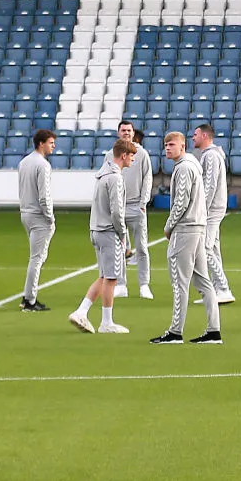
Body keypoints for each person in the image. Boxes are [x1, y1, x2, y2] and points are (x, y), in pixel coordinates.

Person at [152, 131, 221, 345]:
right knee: (203, 281)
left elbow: (181, 202)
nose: (167, 148)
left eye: (171, 144)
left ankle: (175, 332)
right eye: (165, 145)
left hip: (186, 229)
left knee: (179, 282)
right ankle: (213, 331)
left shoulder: (183, 168)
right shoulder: (192, 165)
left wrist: (169, 226)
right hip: (198, 227)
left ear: (182, 146)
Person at [72, 138, 137, 335]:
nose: (133, 160)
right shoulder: (116, 178)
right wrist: (123, 234)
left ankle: (82, 311)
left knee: (103, 276)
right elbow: (117, 212)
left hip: (96, 230)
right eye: (132, 156)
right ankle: (106, 322)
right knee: (111, 278)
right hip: (109, 232)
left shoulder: (102, 176)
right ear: (124, 156)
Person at [107, 121, 155, 299]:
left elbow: (147, 178)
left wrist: (143, 202)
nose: (126, 133)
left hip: (136, 206)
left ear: (133, 133)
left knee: (141, 247)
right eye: (123, 130)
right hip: (117, 207)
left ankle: (144, 285)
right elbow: (106, 179)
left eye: (129, 130)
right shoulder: (109, 155)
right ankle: (121, 284)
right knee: (118, 248)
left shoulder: (141, 154)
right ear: (118, 132)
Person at [192, 123, 235, 305]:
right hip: (214, 207)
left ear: (204, 136)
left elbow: (209, 185)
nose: (193, 137)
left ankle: (223, 287)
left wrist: (201, 209)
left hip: (211, 209)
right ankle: (218, 289)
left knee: (205, 248)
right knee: (213, 248)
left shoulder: (210, 156)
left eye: (195, 134)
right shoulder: (211, 155)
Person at [18, 129, 56, 311]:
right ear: (41, 143)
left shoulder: (24, 162)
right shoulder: (43, 165)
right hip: (38, 215)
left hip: (25, 212)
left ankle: (28, 295)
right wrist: (49, 216)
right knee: (37, 258)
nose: (53, 146)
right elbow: (44, 195)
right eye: (50, 143)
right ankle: (29, 299)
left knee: (36, 257)